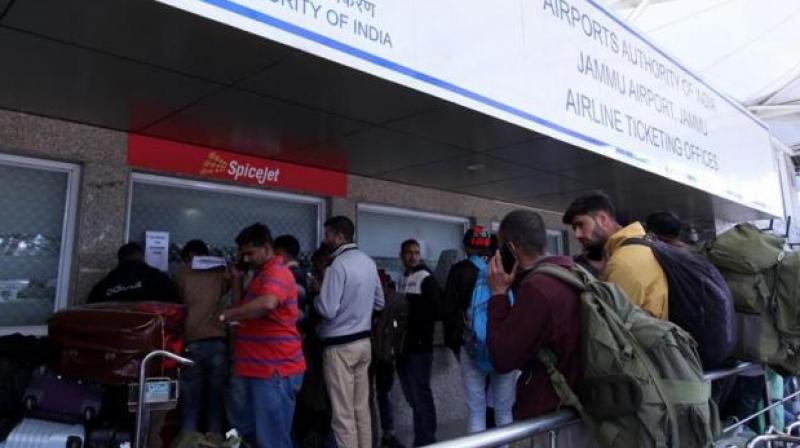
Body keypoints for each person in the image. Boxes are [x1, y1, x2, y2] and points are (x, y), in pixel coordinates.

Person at [484, 210, 583, 420]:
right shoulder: (572, 271)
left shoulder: (537, 289)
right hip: (576, 403)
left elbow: (502, 358)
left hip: (549, 410)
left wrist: (498, 294)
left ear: (511, 248)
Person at [221, 223, 306, 448]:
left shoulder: (277, 272)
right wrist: (236, 280)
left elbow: (267, 303)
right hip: (255, 367)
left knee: (272, 440)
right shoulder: (260, 275)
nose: (246, 259)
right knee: (252, 435)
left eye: (250, 253)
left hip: (274, 369)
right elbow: (244, 309)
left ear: (267, 248)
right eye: (243, 254)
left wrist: (227, 315)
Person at [315, 216, 384, 448]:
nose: (325, 239)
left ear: (339, 236)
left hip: (339, 346)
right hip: (363, 343)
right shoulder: (368, 262)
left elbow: (327, 309)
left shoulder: (337, 264)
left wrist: (316, 297)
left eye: (328, 234)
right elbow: (380, 302)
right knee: (361, 409)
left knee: (343, 415)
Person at [443, 227, 516, 436]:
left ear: (466, 247)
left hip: (472, 347)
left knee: (476, 412)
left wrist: (456, 346)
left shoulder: (459, 270)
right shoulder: (505, 267)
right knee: (503, 411)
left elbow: (449, 312)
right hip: (504, 349)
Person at [562, 191, 669, 320]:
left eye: (580, 225)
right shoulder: (638, 246)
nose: (577, 235)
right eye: (574, 229)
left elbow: (617, 324)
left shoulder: (625, 260)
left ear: (602, 219)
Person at [174, 240, 229, 443]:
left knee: (190, 402)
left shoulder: (181, 273)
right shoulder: (221, 273)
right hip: (218, 341)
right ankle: (214, 438)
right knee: (216, 400)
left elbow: (177, 302)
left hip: (192, 341)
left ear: (189, 256)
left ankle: (188, 440)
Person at [87, 242, 178, 303]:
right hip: (150, 326)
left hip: (114, 326)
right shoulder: (158, 279)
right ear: (142, 257)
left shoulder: (104, 285)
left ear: (119, 259)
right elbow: (175, 304)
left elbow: (92, 310)